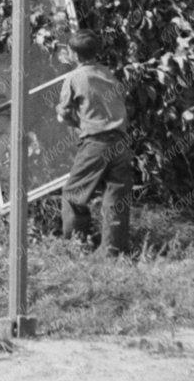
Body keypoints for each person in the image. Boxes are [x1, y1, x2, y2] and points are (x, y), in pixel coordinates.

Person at [54, 29, 134, 256]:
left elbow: (63, 115)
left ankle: (77, 245)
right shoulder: (108, 74)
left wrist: (69, 118)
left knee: (72, 193)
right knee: (115, 199)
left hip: (97, 143)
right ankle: (112, 251)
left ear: (73, 54)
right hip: (121, 142)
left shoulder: (74, 77)